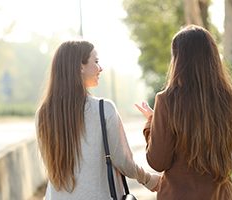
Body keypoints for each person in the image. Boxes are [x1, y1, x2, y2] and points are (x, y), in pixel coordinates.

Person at [135, 25, 232, 200]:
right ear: (213, 57)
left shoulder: (167, 100)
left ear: (178, 60)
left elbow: (158, 161)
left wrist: (151, 125)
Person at [35, 40, 159, 200]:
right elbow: (123, 162)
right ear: (80, 66)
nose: (100, 68)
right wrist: (149, 180)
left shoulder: (43, 114)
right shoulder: (103, 109)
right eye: (96, 61)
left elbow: (49, 166)